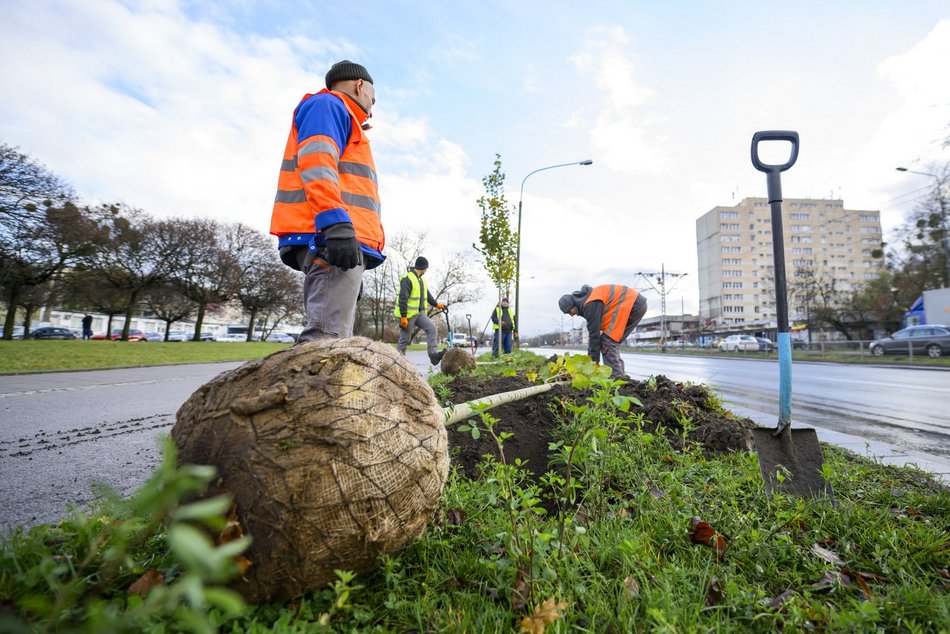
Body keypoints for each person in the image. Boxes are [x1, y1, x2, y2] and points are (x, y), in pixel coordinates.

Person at [270, 60, 384, 341]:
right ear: (360, 85)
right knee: (324, 343)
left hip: (339, 242)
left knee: (335, 342)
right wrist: (337, 226)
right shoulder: (329, 106)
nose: (372, 104)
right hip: (329, 238)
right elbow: (318, 164)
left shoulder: (340, 116)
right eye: (373, 96)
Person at [558, 284, 648, 379]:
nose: (571, 315)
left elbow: (594, 334)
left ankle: (616, 379)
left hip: (632, 304)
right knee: (611, 342)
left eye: (569, 312)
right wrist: (591, 357)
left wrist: (594, 361)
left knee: (608, 342)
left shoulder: (590, 304)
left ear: (572, 305)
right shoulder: (588, 302)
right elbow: (592, 333)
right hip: (634, 304)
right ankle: (621, 377)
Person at [394, 257, 446, 365]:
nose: (426, 271)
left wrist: (436, 304)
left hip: (418, 314)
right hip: (408, 315)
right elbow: (403, 299)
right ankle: (397, 363)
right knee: (405, 339)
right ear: (423, 268)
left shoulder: (420, 279)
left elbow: (426, 294)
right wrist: (403, 316)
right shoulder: (407, 279)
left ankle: (433, 355)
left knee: (431, 328)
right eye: (426, 268)